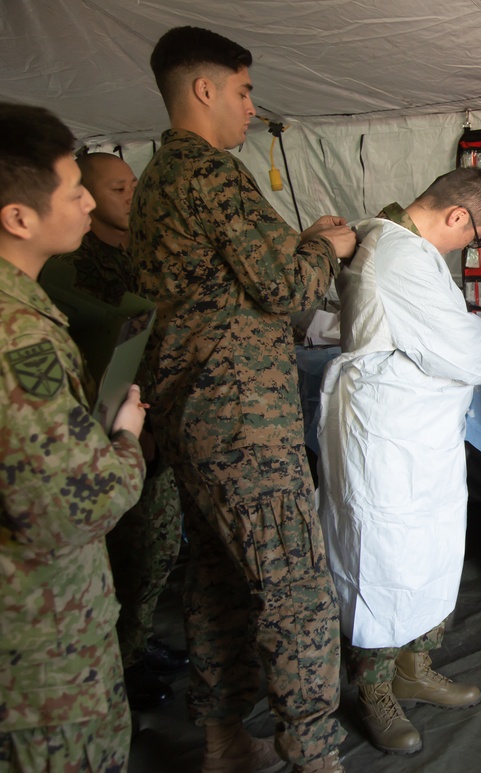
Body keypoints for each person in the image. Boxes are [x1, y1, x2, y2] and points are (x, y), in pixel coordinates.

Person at [129, 26, 357, 773]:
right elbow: (284, 287)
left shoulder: (157, 182)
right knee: (296, 590)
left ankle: (225, 740)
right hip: (243, 423)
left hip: (191, 417)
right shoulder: (212, 175)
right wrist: (327, 245)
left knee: (219, 581)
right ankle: (315, 754)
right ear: (204, 89)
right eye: (244, 90)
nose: (252, 107)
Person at [317, 167, 481, 754]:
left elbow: (441, 344)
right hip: (387, 439)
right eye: (472, 236)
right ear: (457, 217)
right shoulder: (399, 255)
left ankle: (413, 667)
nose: (466, 248)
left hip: (418, 437)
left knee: (430, 545)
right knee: (381, 556)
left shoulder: (409, 249)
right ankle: (372, 685)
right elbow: (467, 351)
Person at [0, 103, 147, 772]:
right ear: (19, 217)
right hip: (40, 663)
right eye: (74, 188)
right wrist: (124, 440)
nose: (87, 199)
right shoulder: (18, 335)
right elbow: (72, 506)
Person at [39, 151, 188, 712]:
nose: (131, 198)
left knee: (158, 545)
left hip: (153, 415)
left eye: (133, 186)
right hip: (108, 428)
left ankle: (136, 641)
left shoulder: (150, 248)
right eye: (117, 189)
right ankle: (120, 663)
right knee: (128, 550)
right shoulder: (68, 267)